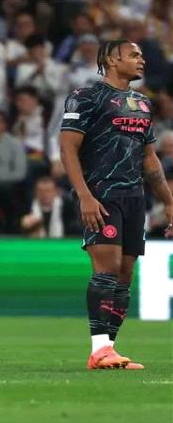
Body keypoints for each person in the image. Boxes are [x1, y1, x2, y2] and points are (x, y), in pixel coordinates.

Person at [59, 39, 173, 370]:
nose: (142, 60)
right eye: (134, 55)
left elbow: (149, 159)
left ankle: (108, 349)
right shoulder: (86, 97)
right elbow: (68, 148)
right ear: (111, 59)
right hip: (101, 193)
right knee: (106, 270)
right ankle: (99, 349)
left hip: (134, 196)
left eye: (141, 55)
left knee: (125, 274)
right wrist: (84, 195)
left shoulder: (142, 103)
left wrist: (169, 202)